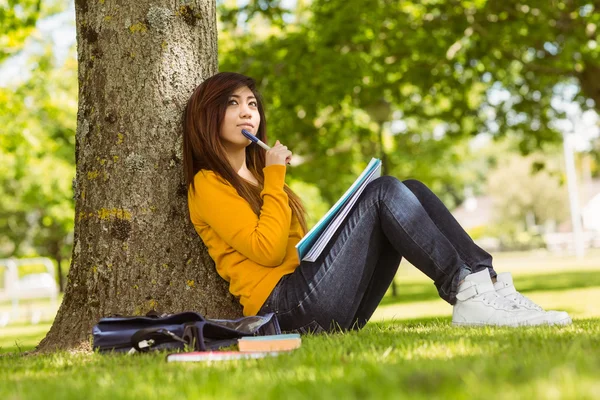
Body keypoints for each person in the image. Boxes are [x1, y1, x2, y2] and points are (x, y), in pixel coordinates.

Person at [182, 72, 572, 334]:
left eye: (252, 102)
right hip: (282, 309)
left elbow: (294, 249)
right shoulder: (208, 183)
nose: (248, 110)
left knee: (411, 189)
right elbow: (266, 252)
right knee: (384, 191)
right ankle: (466, 294)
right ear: (207, 116)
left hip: (317, 303)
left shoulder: (262, 178)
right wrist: (275, 177)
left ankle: (484, 285)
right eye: (233, 104)